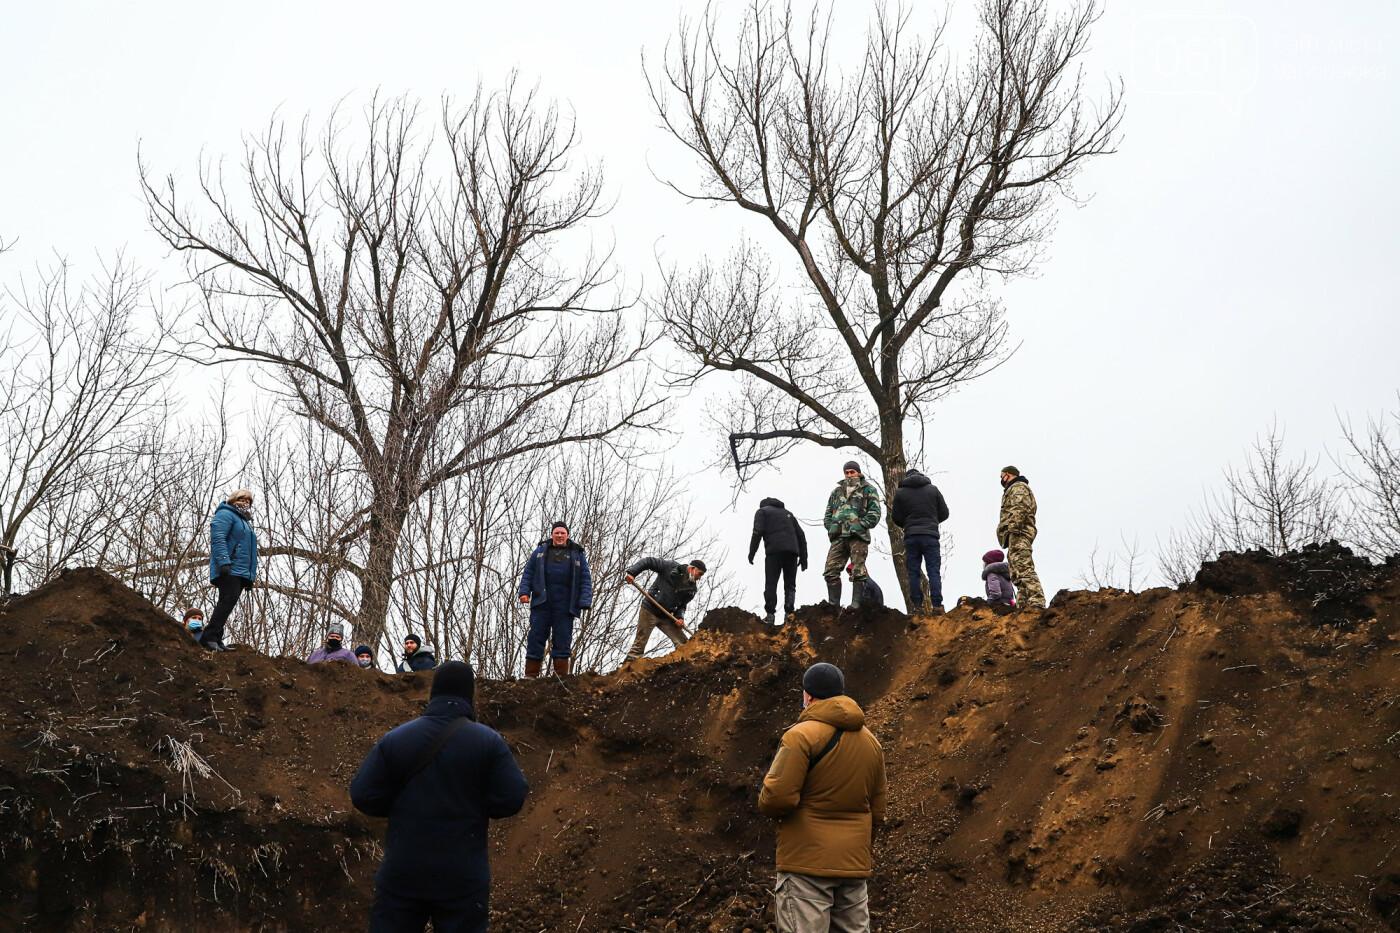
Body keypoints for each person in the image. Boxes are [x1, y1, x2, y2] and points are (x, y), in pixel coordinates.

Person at [351, 661, 530, 933]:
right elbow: (513, 797)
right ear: (469, 695)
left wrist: (402, 807)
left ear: (434, 694)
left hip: (403, 872)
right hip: (463, 876)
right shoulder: (488, 741)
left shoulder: (396, 738)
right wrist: (477, 804)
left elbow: (363, 795)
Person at [758, 662, 887, 933]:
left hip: (806, 864)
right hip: (853, 866)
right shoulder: (871, 743)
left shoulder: (800, 736)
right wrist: (858, 848)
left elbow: (778, 799)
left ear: (808, 695)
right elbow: (877, 810)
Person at [517, 521, 593, 677]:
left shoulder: (577, 553)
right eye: (556, 533)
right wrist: (524, 592)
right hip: (542, 602)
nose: (559, 535)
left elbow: (585, 579)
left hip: (565, 605)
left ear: (567, 535)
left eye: (562, 533)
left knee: (563, 639)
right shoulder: (540, 552)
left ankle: (560, 678)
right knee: (536, 637)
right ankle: (530, 676)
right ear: (552, 535)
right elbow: (528, 573)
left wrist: (585, 600)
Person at [621, 557, 706, 664]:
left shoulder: (691, 589)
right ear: (693, 569)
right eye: (700, 574)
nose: (700, 578)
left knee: (683, 644)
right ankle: (627, 669)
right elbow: (648, 561)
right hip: (649, 610)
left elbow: (682, 605)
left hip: (666, 615)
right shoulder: (670, 567)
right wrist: (632, 573)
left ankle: (685, 666)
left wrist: (680, 618)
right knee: (639, 646)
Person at [890, 467, 949, 615]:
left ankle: (917, 607)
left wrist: (908, 525)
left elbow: (895, 517)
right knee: (933, 572)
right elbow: (945, 513)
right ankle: (937, 606)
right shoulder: (933, 490)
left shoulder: (900, 492)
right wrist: (933, 522)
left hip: (911, 536)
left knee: (913, 572)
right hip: (930, 536)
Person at [822, 462, 881, 609]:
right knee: (830, 570)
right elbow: (828, 514)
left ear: (858, 473)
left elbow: (875, 512)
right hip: (839, 536)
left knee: (858, 571)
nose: (849, 475)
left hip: (857, 536)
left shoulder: (868, 489)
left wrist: (861, 524)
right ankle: (833, 605)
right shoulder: (837, 491)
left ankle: (856, 605)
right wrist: (831, 527)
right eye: (847, 472)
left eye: (852, 472)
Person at [205, 489, 258, 652]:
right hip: (229, 567)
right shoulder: (225, 514)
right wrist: (223, 562)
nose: (246, 503)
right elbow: (218, 538)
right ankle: (209, 637)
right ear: (233, 500)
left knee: (228, 602)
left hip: (240, 571)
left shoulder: (245, 522)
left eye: (248, 501)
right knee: (227, 600)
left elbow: (250, 551)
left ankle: (216, 638)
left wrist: (250, 577)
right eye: (242, 500)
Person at [748, 497, 808, 624]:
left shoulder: (762, 512)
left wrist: (752, 553)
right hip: (792, 553)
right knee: (790, 585)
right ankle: (789, 615)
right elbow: (801, 535)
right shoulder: (788, 514)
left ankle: (770, 616)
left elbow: (757, 532)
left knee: (771, 584)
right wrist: (804, 558)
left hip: (774, 552)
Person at [996, 466, 1046, 610]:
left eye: (1002, 476)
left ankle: (1037, 602)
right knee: (1016, 572)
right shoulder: (1013, 489)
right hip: (1014, 535)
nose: (1001, 480)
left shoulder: (1018, 487)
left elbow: (1020, 509)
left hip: (1019, 533)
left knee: (1023, 568)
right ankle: (1024, 605)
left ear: (1008, 475)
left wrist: (1013, 529)